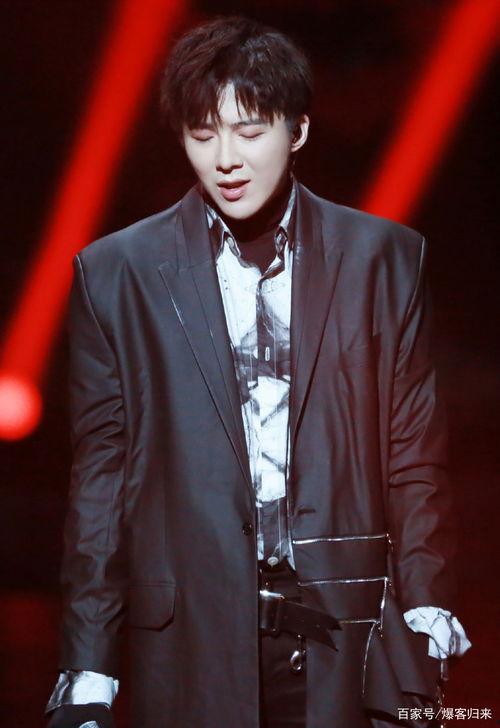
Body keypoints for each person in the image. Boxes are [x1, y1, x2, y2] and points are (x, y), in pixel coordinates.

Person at [46, 15, 470, 728]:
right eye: (202, 134)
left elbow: (413, 451)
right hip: (189, 636)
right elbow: (102, 481)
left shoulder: (383, 259)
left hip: (345, 629)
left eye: (249, 131)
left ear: (296, 130)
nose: (225, 159)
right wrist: (88, 661)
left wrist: (426, 595)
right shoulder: (118, 274)